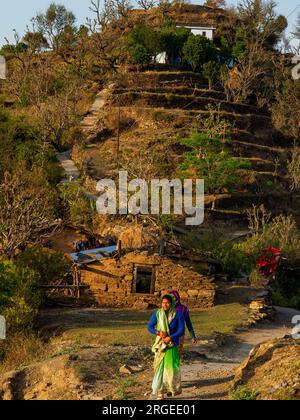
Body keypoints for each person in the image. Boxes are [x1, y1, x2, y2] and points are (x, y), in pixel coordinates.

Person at [148, 294, 185, 400]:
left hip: (172, 345)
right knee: (159, 367)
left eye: (167, 302)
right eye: (163, 302)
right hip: (160, 345)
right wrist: (158, 332)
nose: (165, 304)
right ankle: (159, 391)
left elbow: (181, 330)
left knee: (170, 369)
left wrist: (171, 337)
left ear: (172, 303)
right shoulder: (157, 314)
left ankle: (169, 388)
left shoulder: (178, 315)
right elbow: (149, 326)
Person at [168, 290, 198, 358]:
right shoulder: (167, 308)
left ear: (176, 297)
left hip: (180, 334)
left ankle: (175, 366)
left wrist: (193, 337)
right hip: (168, 333)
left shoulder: (183, 309)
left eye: (173, 297)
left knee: (177, 353)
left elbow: (188, 323)